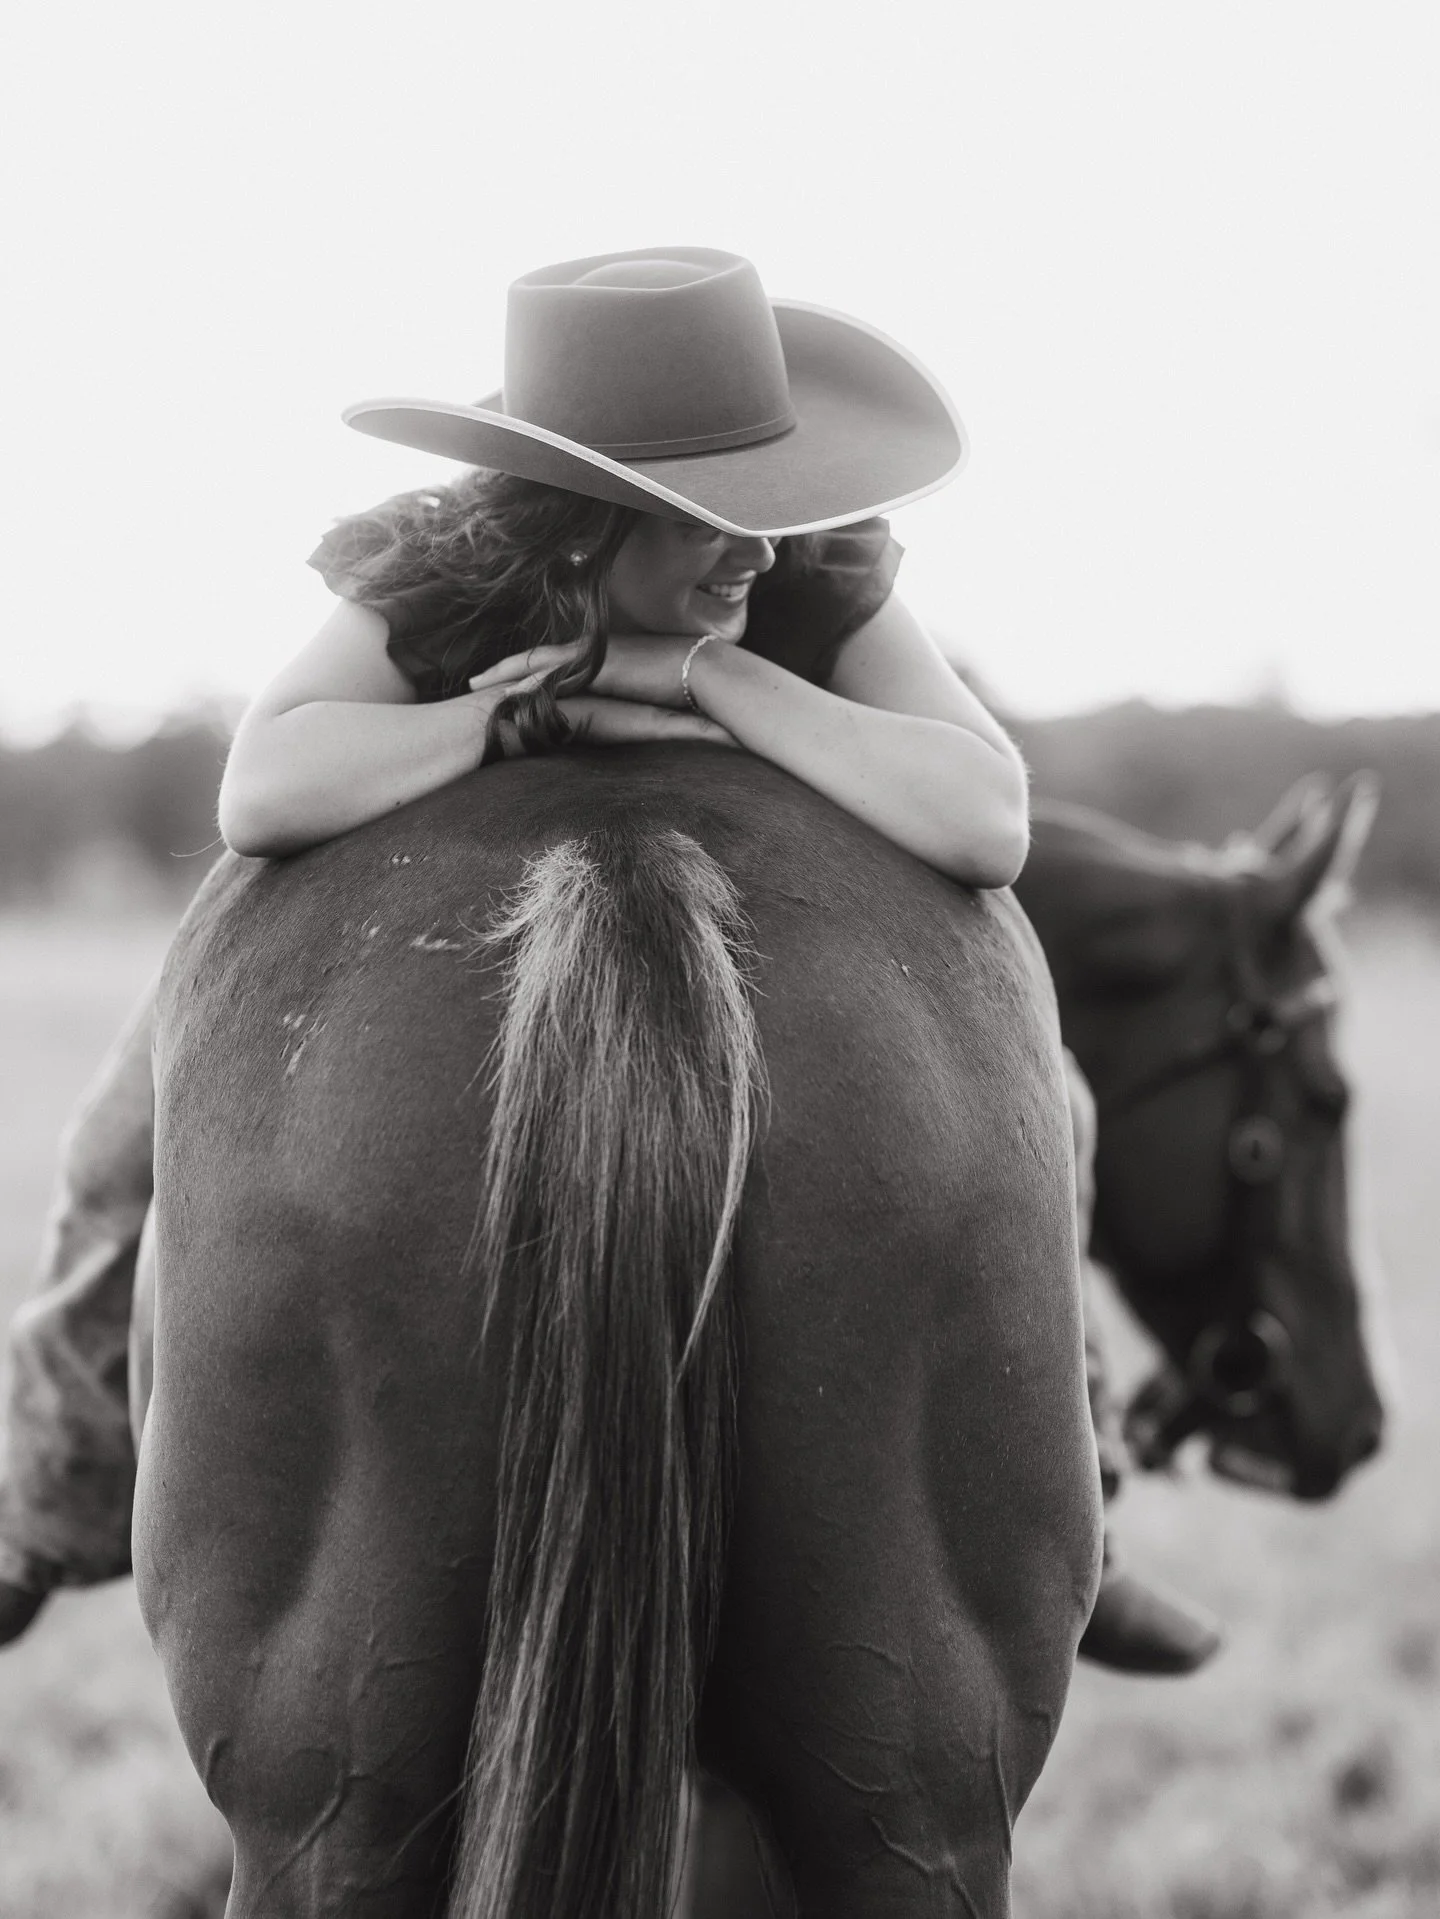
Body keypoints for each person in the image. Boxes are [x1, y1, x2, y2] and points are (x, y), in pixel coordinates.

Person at [0, 246, 1216, 1671]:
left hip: (763, 888)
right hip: (436, 871)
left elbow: (984, 811)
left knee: (1043, 1108)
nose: (756, 546)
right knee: (116, 1142)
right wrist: (513, 717)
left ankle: (1090, 1503)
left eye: (767, 502)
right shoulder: (446, 566)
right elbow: (264, 787)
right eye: (714, 516)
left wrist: (704, 674)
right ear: (582, 524)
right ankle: (55, 1493)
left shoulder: (818, 568)